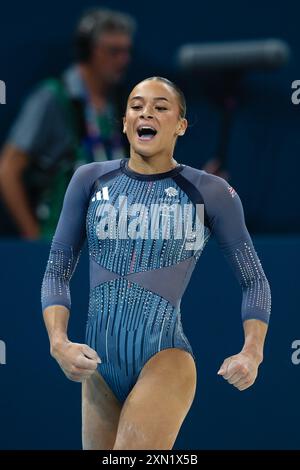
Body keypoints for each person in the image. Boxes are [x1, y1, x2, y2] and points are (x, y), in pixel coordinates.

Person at [41, 77, 271, 450]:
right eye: (136, 105)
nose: (146, 112)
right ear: (125, 121)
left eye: (161, 106)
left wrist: (253, 352)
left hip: (165, 360)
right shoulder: (89, 180)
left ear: (180, 124)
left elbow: (254, 281)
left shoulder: (209, 192)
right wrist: (58, 342)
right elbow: (57, 270)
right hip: (98, 370)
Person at [0, 8, 136, 240]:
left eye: (126, 51)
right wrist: (35, 242)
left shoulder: (124, 103)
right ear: (88, 51)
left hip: (112, 249)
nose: (123, 60)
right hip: (62, 245)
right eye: (114, 51)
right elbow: (8, 170)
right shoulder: (52, 98)